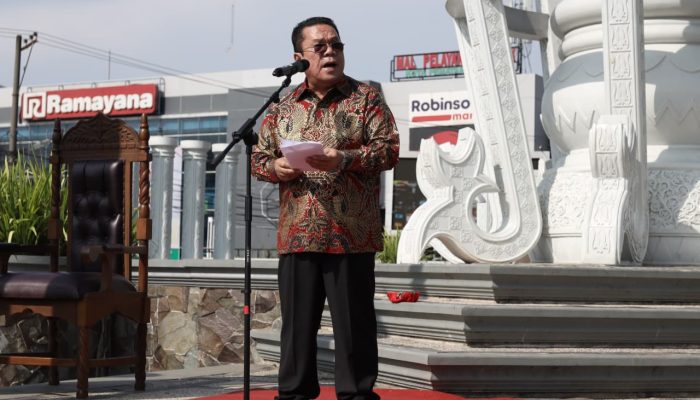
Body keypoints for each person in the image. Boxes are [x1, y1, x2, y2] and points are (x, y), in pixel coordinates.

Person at [251, 16, 400, 400]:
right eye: (320, 47)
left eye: (336, 45)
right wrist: (276, 167)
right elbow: (258, 159)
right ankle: (295, 394)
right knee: (297, 329)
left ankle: (356, 395)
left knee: (355, 328)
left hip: (351, 235)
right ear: (298, 58)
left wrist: (343, 158)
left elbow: (388, 151)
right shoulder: (283, 107)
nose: (330, 52)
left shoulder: (366, 99)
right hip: (299, 235)